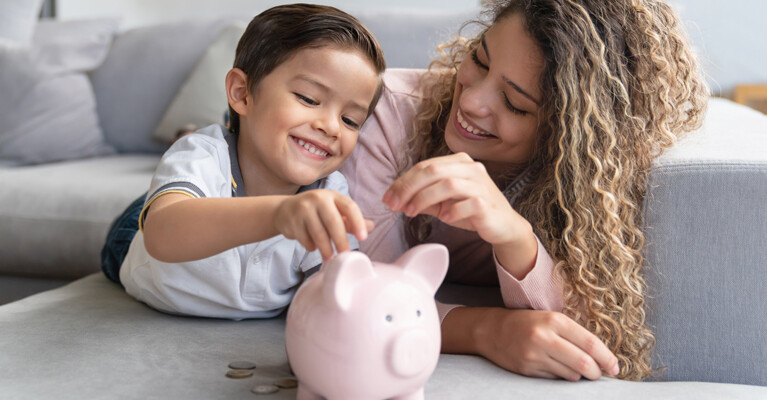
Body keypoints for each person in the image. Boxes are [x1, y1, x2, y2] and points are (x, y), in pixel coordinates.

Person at [339, 0, 708, 381]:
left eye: (514, 104)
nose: (469, 100)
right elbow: (361, 298)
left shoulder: (591, 183)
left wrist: (515, 236)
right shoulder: (386, 116)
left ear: (566, 133)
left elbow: (592, 333)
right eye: (480, 61)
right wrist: (486, 330)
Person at [108, 4, 386, 319]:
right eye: (308, 99)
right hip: (138, 237)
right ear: (241, 92)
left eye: (350, 121)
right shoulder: (203, 156)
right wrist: (279, 215)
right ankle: (193, 144)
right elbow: (160, 234)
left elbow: (335, 296)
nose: (332, 127)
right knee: (170, 183)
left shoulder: (331, 194)